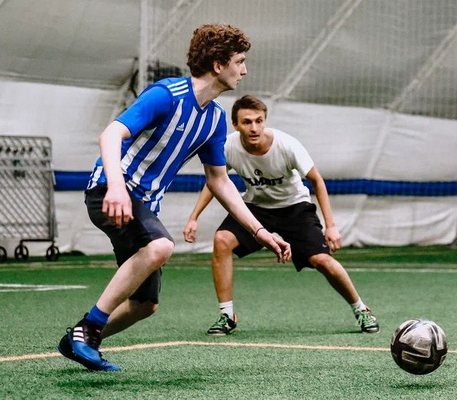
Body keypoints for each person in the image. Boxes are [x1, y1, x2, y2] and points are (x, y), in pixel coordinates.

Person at [57, 25, 291, 372]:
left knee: (144, 304)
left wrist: (260, 232)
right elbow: (110, 134)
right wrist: (117, 187)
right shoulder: (166, 94)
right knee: (160, 246)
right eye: (239, 62)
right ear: (218, 65)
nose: (244, 70)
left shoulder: (214, 119)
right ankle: (89, 330)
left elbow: (220, 181)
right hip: (110, 189)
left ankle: (77, 339)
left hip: (143, 205)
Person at [183, 95, 379, 336]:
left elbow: (317, 180)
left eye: (258, 121)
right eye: (246, 122)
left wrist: (331, 226)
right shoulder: (229, 146)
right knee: (222, 240)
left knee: (322, 261)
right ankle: (227, 315)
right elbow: (215, 181)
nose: (254, 128)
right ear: (235, 125)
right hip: (256, 208)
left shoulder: (287, 145)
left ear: (265, 121)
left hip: (295, 208)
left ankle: (361, 309)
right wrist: (194, 217)